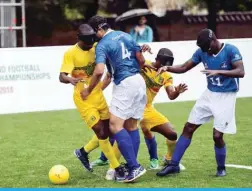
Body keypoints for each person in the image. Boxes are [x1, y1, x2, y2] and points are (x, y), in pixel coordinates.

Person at [156, 28, 245, 177]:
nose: (205, 51)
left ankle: (221, 168)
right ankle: (173, 165)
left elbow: (240, 71)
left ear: (213, 41)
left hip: (226, 96)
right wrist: (167, 68)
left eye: (206, 48)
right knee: (188, 127)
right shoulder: (202, 51)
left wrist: (219, 71)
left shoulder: (230, 50)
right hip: (209, 94)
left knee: (217, 136)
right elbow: (185, 67)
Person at [92, 48, 188, 172]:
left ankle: (169, 159)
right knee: (116, 132)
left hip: (147, 109)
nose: (164, 66)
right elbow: (129, 57)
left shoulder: (166, 76)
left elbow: (171, 95)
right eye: (162, 63)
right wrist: (141, 49)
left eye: (167, 64)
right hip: (131, 105)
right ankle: (110, 166)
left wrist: (177, 92)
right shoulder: (144, 64)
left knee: (172, 134)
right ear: (157, 59)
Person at [81, 15, 151, 182]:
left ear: (99, 28)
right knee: (131, 125)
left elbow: (99, 71)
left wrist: (88, 90)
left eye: (93, 32)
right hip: (138, 81)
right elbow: (141, 60)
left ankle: (134, 167)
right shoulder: (126, 35)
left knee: (114, 125)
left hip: (125, 84)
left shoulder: (102, 45)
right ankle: (132, 167)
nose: (92, 36)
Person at [59, 24, 125, 180]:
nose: (91, 44)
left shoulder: (96, 47)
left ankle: (82, 152)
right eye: (88, 42)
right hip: (84, 99)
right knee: (101, 132)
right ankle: (117, 168)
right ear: (79, 39)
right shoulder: (70, 53)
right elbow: (61, 76)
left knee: (109, 131)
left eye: (92, 41)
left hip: (98, 95)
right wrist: (70, 79)